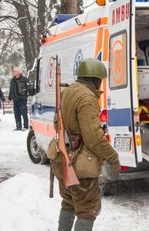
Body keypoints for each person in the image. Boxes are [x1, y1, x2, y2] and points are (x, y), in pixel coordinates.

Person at [50, 58, 121, 231]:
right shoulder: (87, 98)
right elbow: (93, 137)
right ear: (96, 79)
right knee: (87, 209)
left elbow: (56, 124)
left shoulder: (67, 92)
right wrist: (113, 157)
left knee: (68, 203)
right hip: (80, 166)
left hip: (61, 159)